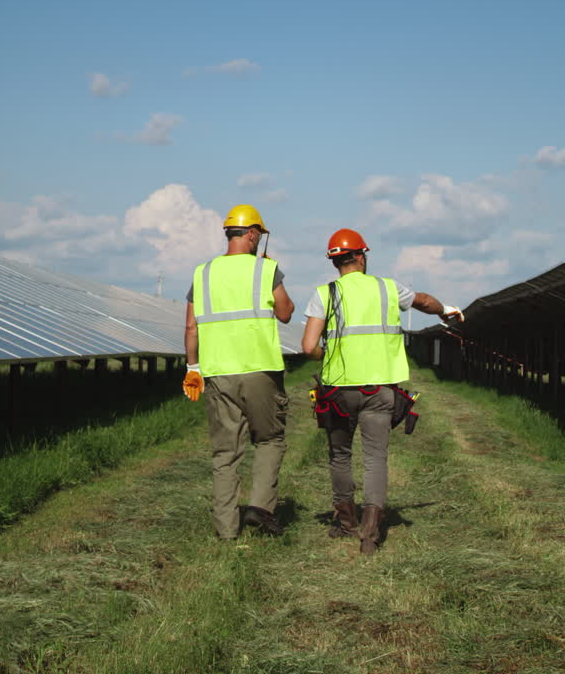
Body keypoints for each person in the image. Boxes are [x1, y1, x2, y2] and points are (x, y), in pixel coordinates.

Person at [300, 228, 463, 554]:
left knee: (340, 455)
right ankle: (370, 534)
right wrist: (446, 309)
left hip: (338, 392)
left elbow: (308, 346)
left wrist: (326, 354)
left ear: (335, 263)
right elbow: (425, 302)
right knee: (376, 458)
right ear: (361, 256)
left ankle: (346, 522)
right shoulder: (388, 289)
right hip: (380, 389)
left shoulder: (325, 293)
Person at [183, 204, 295, 540]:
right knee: (270, 439)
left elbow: (191, 327)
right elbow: (286, 313)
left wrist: (192, 368)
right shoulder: (266, 270)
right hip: (261, 370)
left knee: (225, 453)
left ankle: (226, 532)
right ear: (253, 234)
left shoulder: (202, 274)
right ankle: (260, 509)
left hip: (218, 373)